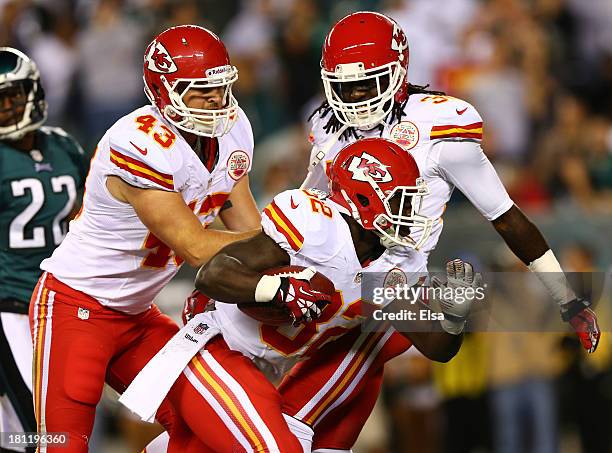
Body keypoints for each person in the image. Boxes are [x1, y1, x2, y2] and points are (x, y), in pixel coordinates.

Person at [277, 11, 601, 452]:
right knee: (312, 417)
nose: (354, 97)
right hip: (333, 274)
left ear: (398, 73)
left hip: (389, 283)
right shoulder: (326, 125)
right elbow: (306, 206)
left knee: (295, 415)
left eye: (366, 83)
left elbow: (505, 216)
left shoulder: (440, 125)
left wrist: (567, 297)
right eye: (344, 85)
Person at [125, 137, 480, 453]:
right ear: (364, 197)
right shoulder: (317, 227)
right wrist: (276, 289)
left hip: (267, 369)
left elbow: (437, 348)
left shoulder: (391, 264)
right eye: (402, 202)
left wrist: (453, 315)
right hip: (217, 348)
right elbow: (212, 275)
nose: (411, 214)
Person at [29, 25, 262, 452]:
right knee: (60, 444)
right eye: (199, 90)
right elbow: (195, 246)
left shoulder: (232, 128)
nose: (215, 100)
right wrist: (292, 242)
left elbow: (250, 229)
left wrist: (284, 259)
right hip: (75, 306)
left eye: (220, 87)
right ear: (163, 91)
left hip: (137, 315)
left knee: (206, 425)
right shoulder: (137, 142)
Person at [0, 47, 87, 453]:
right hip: (11, 305)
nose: (4, 108)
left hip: (58, 303)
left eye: (11, 96)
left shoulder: (64, 146)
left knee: (44, 424)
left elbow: (89, 214)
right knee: (41, 429)